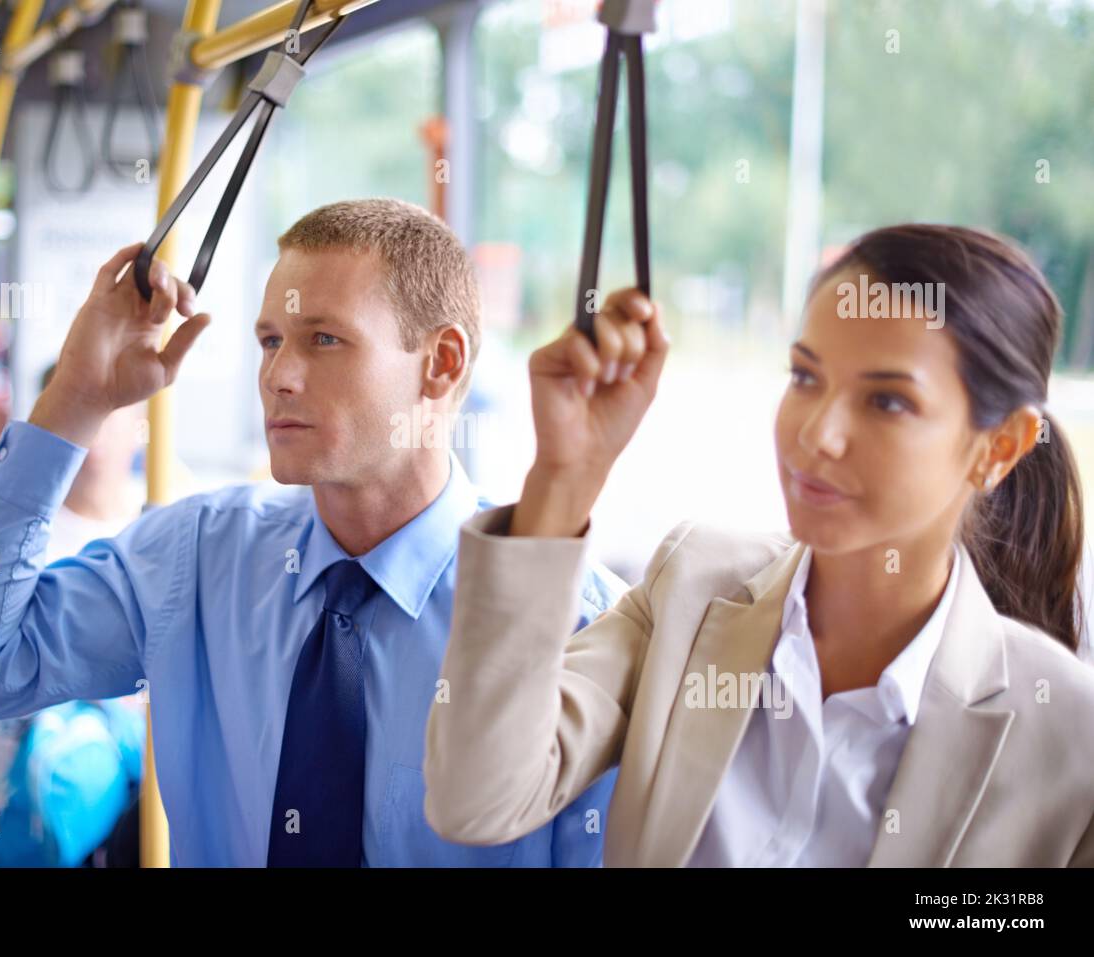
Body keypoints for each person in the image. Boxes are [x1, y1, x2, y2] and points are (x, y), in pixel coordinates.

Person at [0, 198, 622, 867]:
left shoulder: (575, 622)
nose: (279, 374)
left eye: (325, 339)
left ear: (442, 363)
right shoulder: (195, 557)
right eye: (271, 340)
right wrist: (75, 402)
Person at [423, 223, 1094, 866]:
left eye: (886, 402)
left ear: (999, 445)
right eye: (805, 377)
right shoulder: (692, 586)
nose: (817, 435)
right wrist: (564, 477)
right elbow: (476, 798)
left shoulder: (1069, 732)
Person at [0, 364, 145, 867]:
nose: (95, 425)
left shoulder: (160, 530)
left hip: (111, 806)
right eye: (80, 406)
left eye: (111, 408)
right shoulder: (8, 529)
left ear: (141, 423)